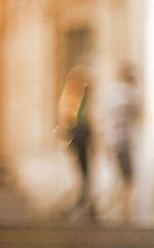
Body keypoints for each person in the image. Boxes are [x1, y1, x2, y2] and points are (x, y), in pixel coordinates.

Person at [56, 64, 95, 220]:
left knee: (85, 175)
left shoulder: (80, 98)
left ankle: (86, 204)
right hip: (78, 138)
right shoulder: (73, 98)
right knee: (83, 174)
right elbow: (69, 121)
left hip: (81, 138)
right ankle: (82, 204)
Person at [104, 63, 139, 222]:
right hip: (123, 141)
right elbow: (136, 114)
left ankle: (120, 212)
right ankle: (125, 213)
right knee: (127, 179)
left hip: (113, 140)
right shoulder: (126, 93)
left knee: (121, 178)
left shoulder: (112, 92)